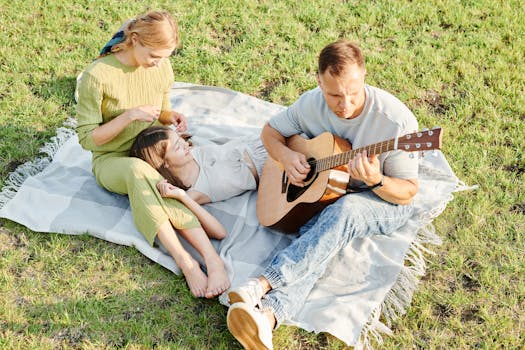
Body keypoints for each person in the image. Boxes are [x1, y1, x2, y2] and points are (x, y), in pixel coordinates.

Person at [225, 39, 419, 350]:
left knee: (345, 213)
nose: (345, 105)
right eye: (334, 95)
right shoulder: (310, 103)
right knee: (325, 234)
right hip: (330, 191)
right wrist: (286, 158)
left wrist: (377, 178)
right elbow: (270, 133)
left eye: (353, 93)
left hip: (382, 198)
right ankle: (268, 317)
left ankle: (261, 284)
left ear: (365, 75)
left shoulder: (395, 122)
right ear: (318, 81)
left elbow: (408, 192)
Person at [75, 10, 230, 299]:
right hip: (112, 159)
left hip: (152, 150)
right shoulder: (97, 76)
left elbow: (160, 112)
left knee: (164, 186)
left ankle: (212, 260)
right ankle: (186, 262)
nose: (159, 63)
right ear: (134, 40)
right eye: (154, 56)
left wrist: (171, 117)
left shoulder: (162, 68)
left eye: (164, 57)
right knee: (139, 172)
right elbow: (87, 138)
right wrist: (129, 116)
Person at [129, 125, 267, 204]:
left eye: (180, 139)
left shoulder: (190, 153)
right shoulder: (193, 193)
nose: (185, 144)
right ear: (164, 163)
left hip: (259, 141)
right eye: (177, 147)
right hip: (266, 168)